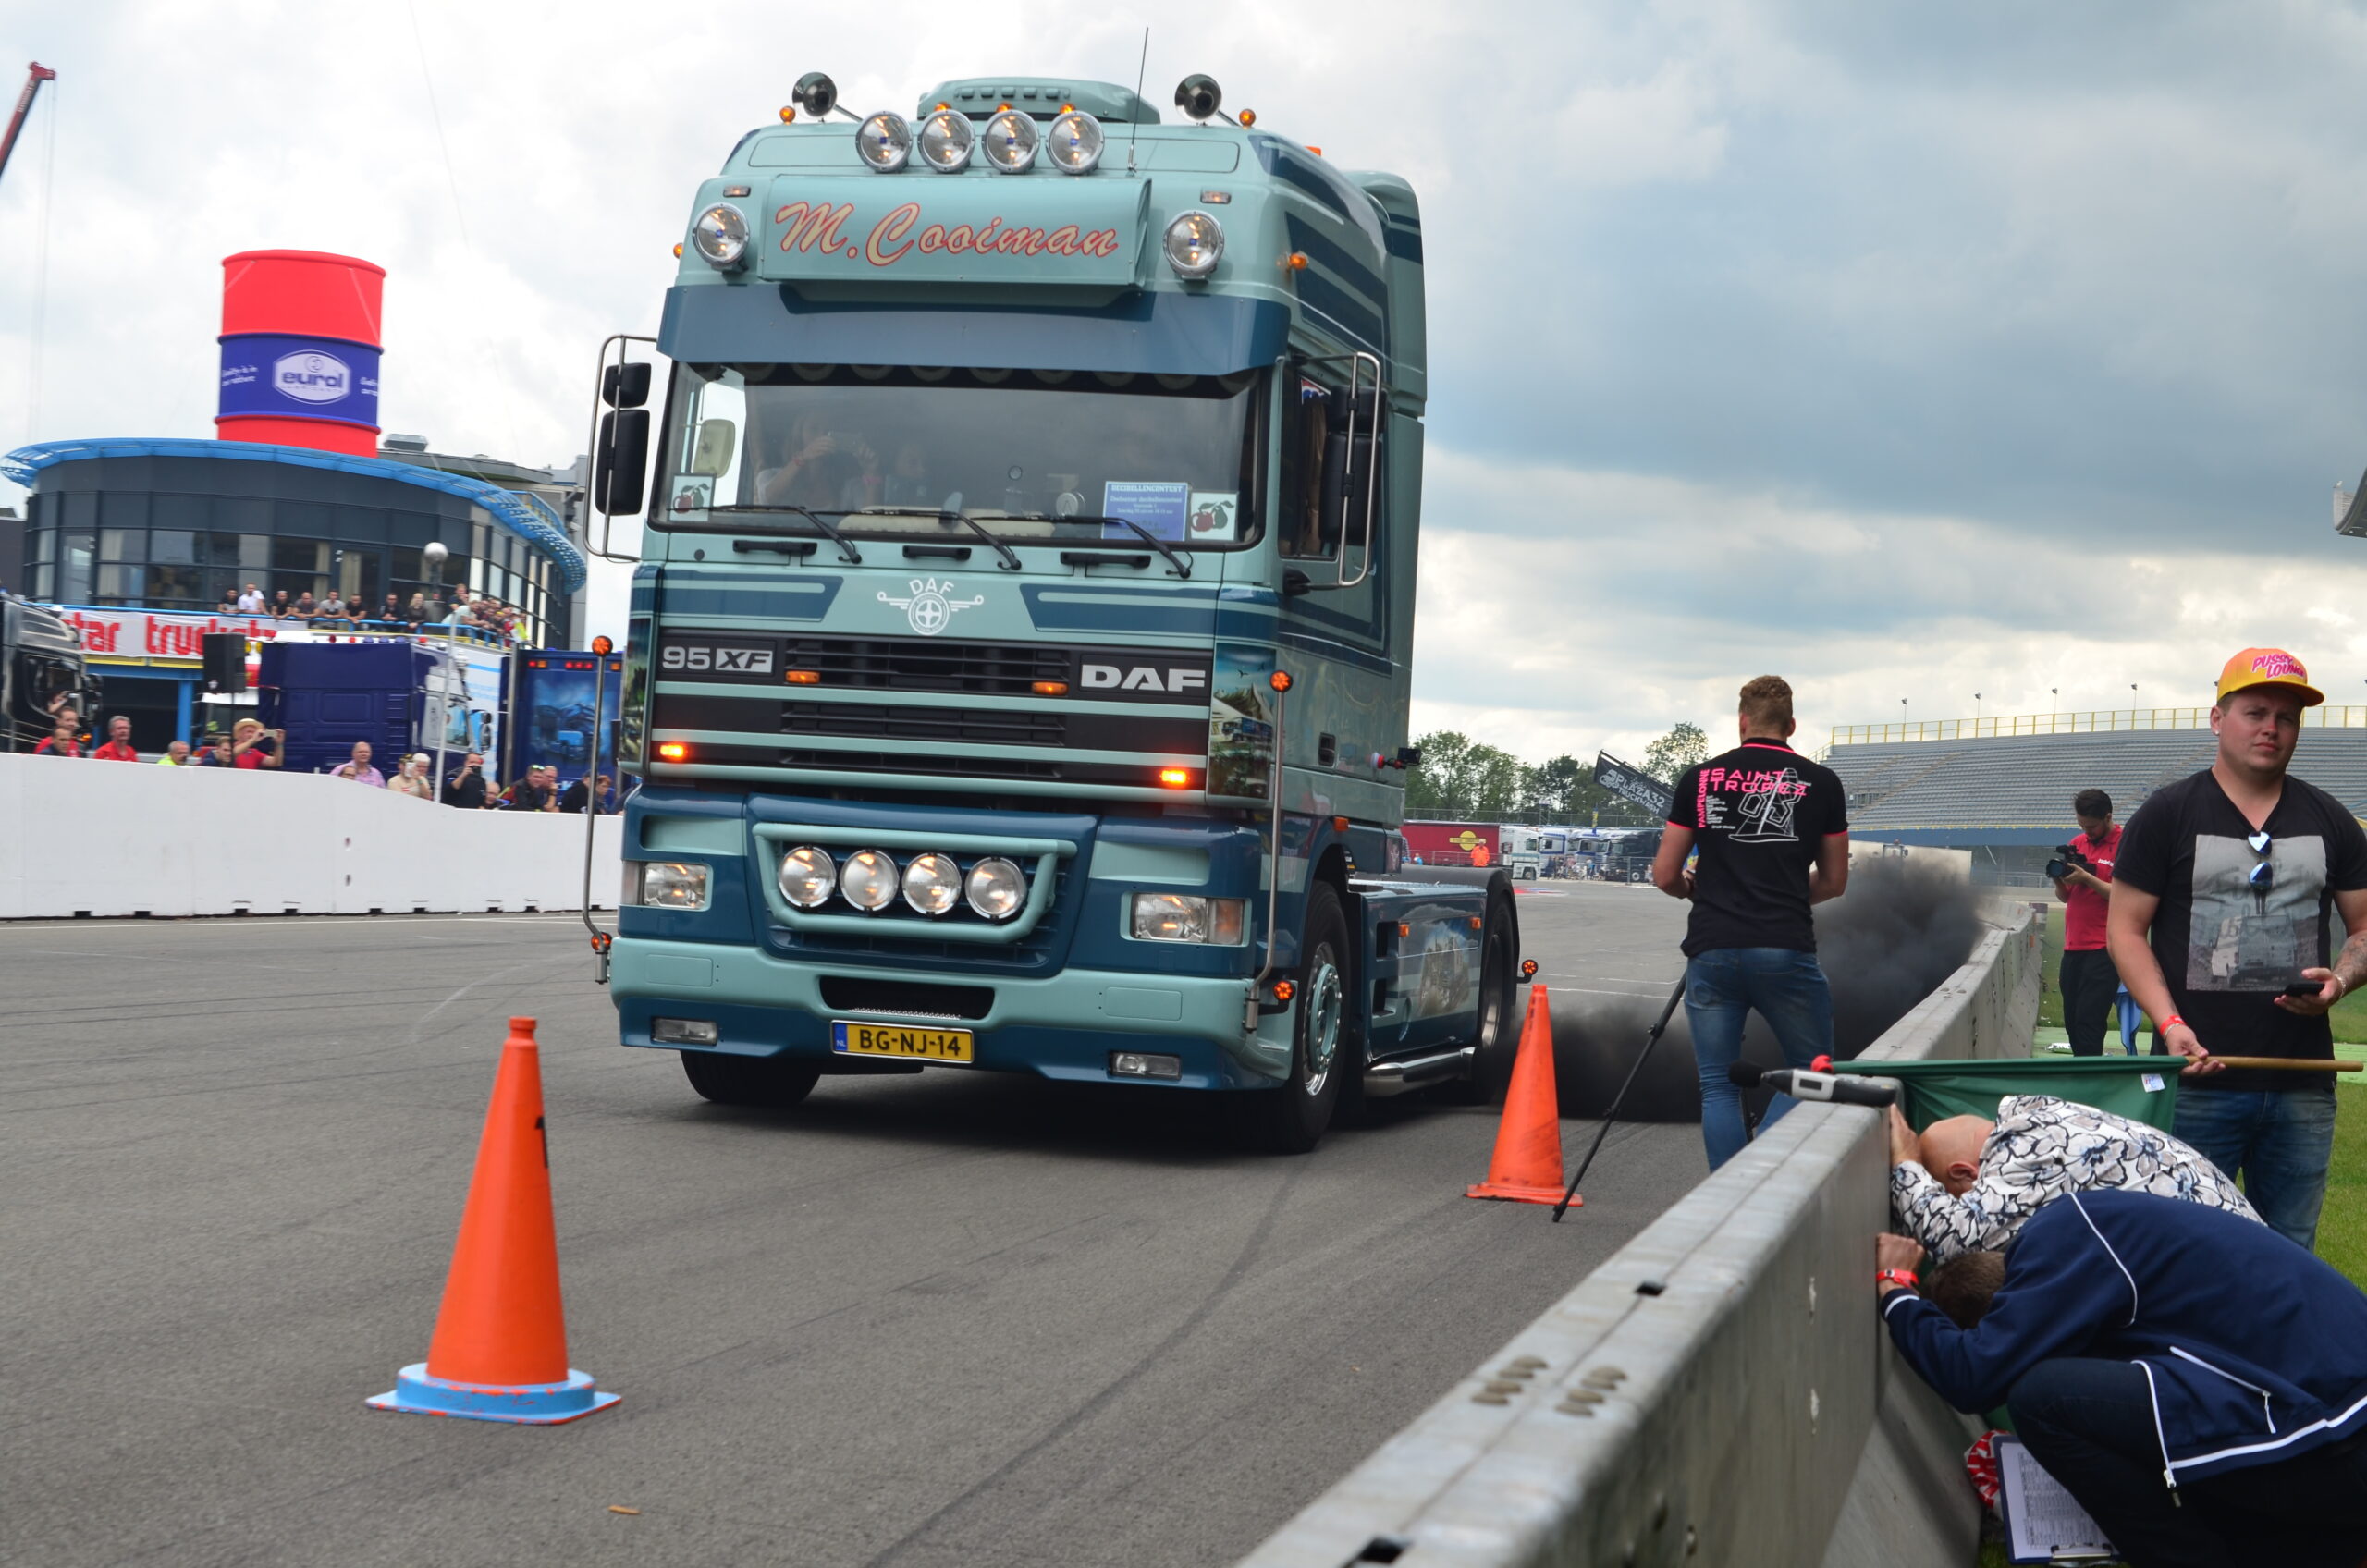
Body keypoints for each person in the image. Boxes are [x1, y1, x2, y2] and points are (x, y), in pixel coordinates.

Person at [1876, 1191, 2367, 1568]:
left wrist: (1895, 1289)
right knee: (2143, 1422)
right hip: (2336, 1433)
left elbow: (1971, 1376)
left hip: (2339, 1434)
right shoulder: (2107, 1246)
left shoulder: (2062, 1233)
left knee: (2043, 1399)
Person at [2106, 647, 2367, 1249]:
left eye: (2287, 716)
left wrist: (2341, 983)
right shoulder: (2168, 813)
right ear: (2218, 718)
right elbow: (2125, 931)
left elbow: (2362, 930)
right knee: (2186, 1250)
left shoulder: (2330, 819)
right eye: (2255, 712)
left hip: (2302, 1082)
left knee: (2288, 1254)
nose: (2272, 728)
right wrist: (2169, 1023)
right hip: (2196, 1079)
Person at [1653, 675, 1851, 1169]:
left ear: (1742, 721)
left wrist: (1695, 889)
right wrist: (1784, 895)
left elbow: (1664, 875)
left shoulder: (1699, 779)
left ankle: (1725, 1191)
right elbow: (1833, 882)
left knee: (1718, 1084)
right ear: (1792, 725)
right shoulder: (1822, 783)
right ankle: (1760, 1162)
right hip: (1783, 945)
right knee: (1815, 1072)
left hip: (1712, 947)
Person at [1887, 1096, 2255, 1265]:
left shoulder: (2020, 1155)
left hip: (2236, 1279)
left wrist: (1905, 1162)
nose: (1971, 1203)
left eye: (1958, 1196)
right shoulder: (2038, 1120)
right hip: (2244, 1256)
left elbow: (1956, 1242)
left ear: (1965, 1174)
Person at [2054, 788, 2123, 1056]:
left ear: (2108, 817)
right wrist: (2058, 879)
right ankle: (2080, 1067)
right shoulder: (2077, 843)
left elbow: (2122, 896)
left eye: (2091, 826)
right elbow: (2065, 897)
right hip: (2073, 947)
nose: (2087, 831)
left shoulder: (2124, 843)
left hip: (2103, 948)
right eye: (2082, 825)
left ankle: (2090, 1074)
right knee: (2071, 1019)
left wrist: (2086, 878)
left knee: (2089, 1019)